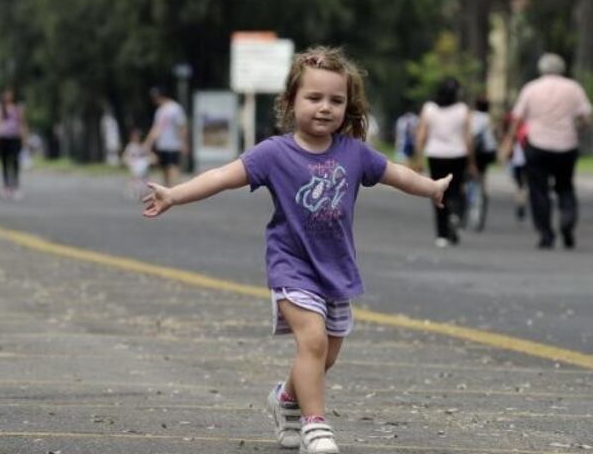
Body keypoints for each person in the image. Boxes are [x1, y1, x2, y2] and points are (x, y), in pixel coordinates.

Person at [143, 46, 449, 453]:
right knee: (313, 340)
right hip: (291, 266)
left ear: (348, 106)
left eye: (336, 100)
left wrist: (430, 188)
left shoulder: (354, 153)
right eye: (314, 98)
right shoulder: (274, 153)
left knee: (326, 354)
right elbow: (221, 175)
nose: (325, 108)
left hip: (336, 268)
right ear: (290, 102)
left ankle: (287, 399)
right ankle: (316, 426)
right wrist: (174, 194)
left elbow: (396, 174)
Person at [500, 53, 592, 249]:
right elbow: (585, 115)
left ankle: (546, 233)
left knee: (538, 190)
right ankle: (567, 220)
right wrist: (580, 128)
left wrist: (508, 142)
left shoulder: (531, 88)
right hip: (566, 145)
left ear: (541, 69)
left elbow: (517, 117)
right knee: (565, 186)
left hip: (537, 145)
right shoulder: (573, 88)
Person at [415, 77, 475, 247]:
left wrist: (419, 157)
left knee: (438, 192)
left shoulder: (429, 109)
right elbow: (468, 138)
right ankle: (455, 214)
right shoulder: (463, 110)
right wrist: (471, 161)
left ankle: (442, 235)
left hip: (435, 155)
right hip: (458, 154)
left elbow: (421, 135)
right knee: (456, 188)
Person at [0, 87, 28, 200]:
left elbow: (22, 123)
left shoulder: (18, 107)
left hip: (15, 138)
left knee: (15, 162)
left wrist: (25, 138)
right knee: (4, 163)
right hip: (2, 137)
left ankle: (16, 186)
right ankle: (6, 186)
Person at [143, 86, 188, 186]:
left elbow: (181, 126)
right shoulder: (160, 111)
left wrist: (183, 142)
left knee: (173, 168)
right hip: (162, 144)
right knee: (164, 169)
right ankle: (167, 191)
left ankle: (177, 191)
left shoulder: (175, 108)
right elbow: (156, 128)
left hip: (173, 144)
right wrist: (148, 143)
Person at [466, 95, 498, 231]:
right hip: (486, 154)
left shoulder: (472, 117)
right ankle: (481, 202)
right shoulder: (489, 119)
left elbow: (470, 137)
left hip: (475, 151)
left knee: (469, 179)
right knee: (482, 180)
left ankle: (471, 208)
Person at [121, 126, 154, 199]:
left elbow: (151, 156)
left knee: (145, 181)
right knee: (136, 181)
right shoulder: (130, 147)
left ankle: (144, 192)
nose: (137, 137)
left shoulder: (142, 146)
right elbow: (125, 157)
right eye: (135, 136)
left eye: (138, 136)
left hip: (143, 169)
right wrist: (129, 162)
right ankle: (136, 192)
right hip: (135, 168)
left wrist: (150, 159)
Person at [392, 104, 419, 168]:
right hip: (403, 143)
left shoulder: (415, 119)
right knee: (403, 161)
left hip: (412, 143)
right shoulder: (400, 120)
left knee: (412, 161)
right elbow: (398, 133)